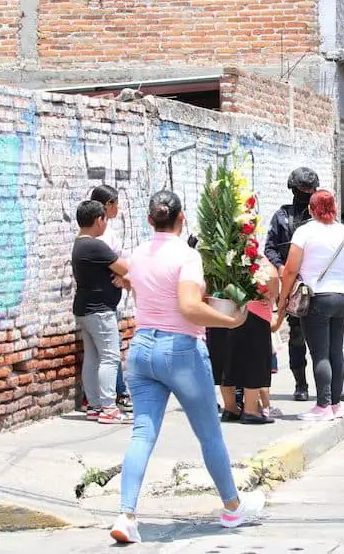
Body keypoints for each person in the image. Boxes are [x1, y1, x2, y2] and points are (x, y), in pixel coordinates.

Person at [109, 191, 263, 544]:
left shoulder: (137, 254)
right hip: (181, 350)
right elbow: (190, 307)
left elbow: (142, 290)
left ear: (151, 220)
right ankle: (231, 507)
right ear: (181, 219)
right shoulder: (187, 255)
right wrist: (232, 321)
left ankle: (126, 514)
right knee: (209, 433)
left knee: (142, 433)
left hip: (142, 347)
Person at [264, 168, 344, 403]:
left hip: (320, 289)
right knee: (297, 338)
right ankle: (300, 383)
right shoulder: (282, 217)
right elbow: (270, 248)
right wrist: (282, 269)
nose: (305, 195)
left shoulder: (326, 221)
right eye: (302, 191)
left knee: (331, 344)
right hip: (296, 289)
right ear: (293, 190)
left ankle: (334, 388)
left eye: (310, 191)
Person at [273, 190, 344, 422]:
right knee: (336, 351)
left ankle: (322, 406)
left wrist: (282, 300)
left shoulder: (305, 232)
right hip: (341, 297)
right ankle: (335, 405)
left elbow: (291, 269)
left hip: (316, 298)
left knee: (320, 353)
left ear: (311, 209)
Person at [71, 200, 131, 425]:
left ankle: (95, 406)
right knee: (109, 357)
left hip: (85, 308)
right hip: (100, 311)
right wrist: (122, 277)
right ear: (99, 220)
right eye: (105, 218)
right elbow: (126, 268)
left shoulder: (79, 245)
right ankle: (108, 408)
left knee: (93, 358)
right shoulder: (95, 246)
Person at [210, 257, 280, 425]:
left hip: (221, 311)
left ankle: (231, 408)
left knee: (226, 360)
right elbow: (273, 282)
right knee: (254, 362)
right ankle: (250, 410)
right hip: (253, 315)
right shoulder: (259, 261)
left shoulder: (217, 258)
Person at [90, 184, 132, 413]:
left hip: (107, 299)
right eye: (116, 203)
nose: (118, 208)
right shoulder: (101, 235)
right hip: (103, 301)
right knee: (110, 351)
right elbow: (110, 262)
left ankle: (100, 397)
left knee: (104, 352)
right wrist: (121, 275)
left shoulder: (105, 232)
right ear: (107, 205)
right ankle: (118, 393)